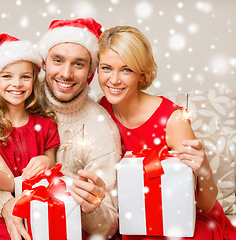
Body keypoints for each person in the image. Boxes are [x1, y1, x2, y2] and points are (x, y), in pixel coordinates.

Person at [0, 18, 122, 240]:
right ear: (44, 62)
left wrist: (91, 207)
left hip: (61, 229)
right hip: (2, 222)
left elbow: (106, 227)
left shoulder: (100, 127)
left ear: (90, 70)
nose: (66, 74)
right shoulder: (17, 93)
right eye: (57, 60)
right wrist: (5, 205)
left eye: (78, 63)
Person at [98, 26, 236, 239]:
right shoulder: (101, 110)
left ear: (141, 75)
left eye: (126, 70)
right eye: (106, 68)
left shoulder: (173, 120)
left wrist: (204, 168)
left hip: (186, 218)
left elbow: (206, 205)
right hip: (138, 217)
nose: (114, 80)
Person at [0, 33, 60, 240]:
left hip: (41, 219)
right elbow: (8, 184)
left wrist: (45, 159)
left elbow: (51, 160)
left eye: (25, 76)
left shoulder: (46, 124)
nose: (17, 83)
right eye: (7, 76)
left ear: (34, 81)